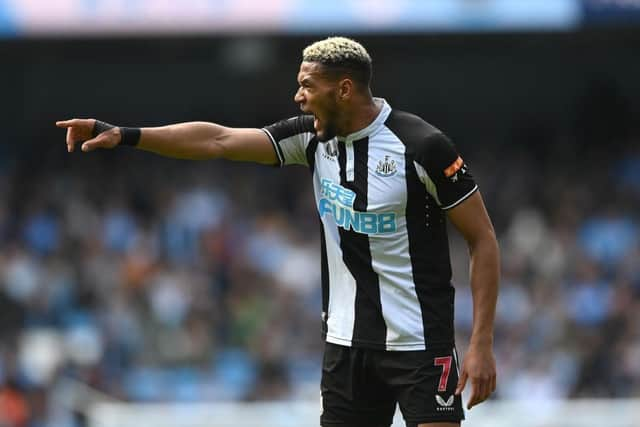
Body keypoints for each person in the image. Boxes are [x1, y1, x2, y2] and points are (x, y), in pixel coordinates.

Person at [56, 37, 499, 427]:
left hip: (421, 345)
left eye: (308, 86)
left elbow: (483, 240)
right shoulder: (311, 138)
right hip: (345, 346)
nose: (298, 96)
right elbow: (218, 140)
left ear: (343, 89)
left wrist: (480, 344)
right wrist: (126, 135)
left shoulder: (422, 146)